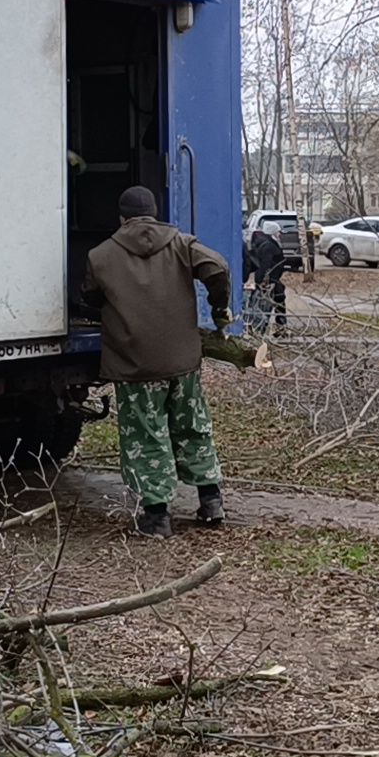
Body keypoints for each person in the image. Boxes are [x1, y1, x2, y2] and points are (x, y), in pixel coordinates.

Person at [82, 186, 234, 538]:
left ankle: (157, 517)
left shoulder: (101, 256)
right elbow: (218, 266)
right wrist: (219, 308)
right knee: (193, 427)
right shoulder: (182, 244)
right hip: (183, 361)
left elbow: (89, 297)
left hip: (135, 366)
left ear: (122, 218)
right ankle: (211, 502)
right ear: (153, 212)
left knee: (146, 436)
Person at [245, 221, 288, 335]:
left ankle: (272, 327)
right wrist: (266, 280)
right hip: (269, 280)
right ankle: (271, 328)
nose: (280, 235)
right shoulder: (269, 246)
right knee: (271, 302)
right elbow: (266, 264)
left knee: (271, 302)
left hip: (269, 279)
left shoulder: (265, 243)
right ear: (272, 232)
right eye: (278, 232)